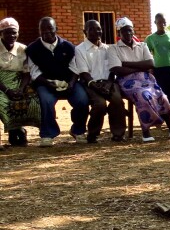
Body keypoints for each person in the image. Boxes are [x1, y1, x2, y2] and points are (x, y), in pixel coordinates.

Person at [109, 18, 170, 142]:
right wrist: (139, 67)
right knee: (143, 95)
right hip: (127, 81)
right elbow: (117, 69)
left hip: (147, 79)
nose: (128, 34)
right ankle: (146, 132)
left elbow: (150, 63)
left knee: (161, 96)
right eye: (125, 31)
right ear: (119, 33)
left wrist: (126, 64)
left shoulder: (142, 45)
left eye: (130, 31)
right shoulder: (113, 49)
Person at [26, 17, 89, 146]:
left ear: (56, 29)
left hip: (68, 82)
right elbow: (34, 72)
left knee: (82, 99)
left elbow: (74, 68)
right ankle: (48, 134)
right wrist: (48, 83)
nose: (46, 32)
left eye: (50, 28)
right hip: (45, 83)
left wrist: (71, 83)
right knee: (46, 101)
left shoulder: (68, 46)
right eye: (42, 30)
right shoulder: (32, 49)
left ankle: (78, 130)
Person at [73, 20, 127, 142]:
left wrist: (108, 83)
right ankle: (93, 134)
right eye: (91, 29)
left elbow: (113, 68)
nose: (96, 32)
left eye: (98, 29)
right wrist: (95, 85)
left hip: (108, 82)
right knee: (100, 104)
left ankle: (118, 134)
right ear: (84, 32)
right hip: (90, 84)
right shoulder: (80, 49)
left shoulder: (108, 48)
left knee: (117, 101)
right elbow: (84, 72)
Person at [0, 17, 40, 145]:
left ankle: (17, 131)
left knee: (33, 101)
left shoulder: (23, 49)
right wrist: (7, 90)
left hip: (19, 83)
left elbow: (26, 73)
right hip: (1, 85)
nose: (11, 35)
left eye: (14, 32)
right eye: (7, 32)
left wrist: (21, 89)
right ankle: (16, 131)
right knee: (2, 102)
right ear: (1, 33)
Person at [145, 13, 170, 107]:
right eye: (159, 22)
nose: (162, 24)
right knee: (161, 93)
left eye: (164, 22)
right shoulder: (150, 38)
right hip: (158, 70)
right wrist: (150, 67)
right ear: (155, 22)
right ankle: (164, 115)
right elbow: (146, 54)